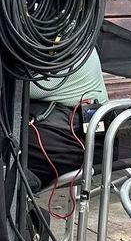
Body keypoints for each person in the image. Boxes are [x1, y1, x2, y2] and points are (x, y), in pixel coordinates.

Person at [28, 50, 108, 189]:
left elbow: (19, 86)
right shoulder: (78, 38)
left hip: (77, 143)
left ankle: (20, 189)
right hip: (92, 138)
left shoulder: (71, 46)